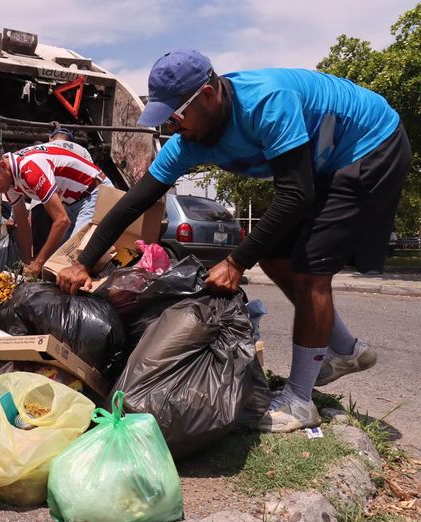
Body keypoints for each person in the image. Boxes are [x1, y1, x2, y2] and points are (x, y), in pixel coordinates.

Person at [57, 49, 410, 433]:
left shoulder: (266, 104)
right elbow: (132, 204)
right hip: (324, 161)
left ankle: (299, 402)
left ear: (208, 94)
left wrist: (236, 261)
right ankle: (344, 350)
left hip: (370, 142)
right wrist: (83, 261)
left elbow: (296, 195)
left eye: (176, 115)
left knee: (312, 271)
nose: (172, 128)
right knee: (275, 256)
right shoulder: (187, 142)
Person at [0, 145, 113, 277]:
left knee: (74, 261)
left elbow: (62, 221)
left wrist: (38, 264)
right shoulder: (9, 181)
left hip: (95, 193)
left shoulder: (30, 169)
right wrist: (28, 264)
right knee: (56, 261)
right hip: (73, 202)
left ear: (2, 166)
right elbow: (22, 224)